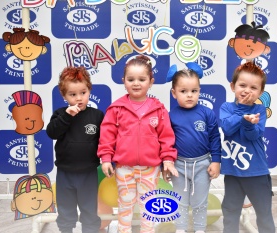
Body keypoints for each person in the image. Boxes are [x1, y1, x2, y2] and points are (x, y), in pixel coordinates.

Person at [97, 54, 178, 233]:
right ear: (123, 81)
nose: (136, 83)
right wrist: (105, 158)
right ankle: (123, 230)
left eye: (142, 79)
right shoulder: (116, 108)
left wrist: (168, 160)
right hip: (123, 167)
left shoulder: (158, 109)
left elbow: (166, 137)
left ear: (151, 82)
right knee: (125, 203)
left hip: (150, 168)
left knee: (148, 204)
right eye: (131, 79)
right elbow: (107, 135)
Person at [46, 66, 104, 233]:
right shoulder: (60, 114)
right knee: (65, 210)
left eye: (83, 93)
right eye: (73, 95)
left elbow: (105, 141)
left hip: (89, 173)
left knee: (89, 210)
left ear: (89, 90)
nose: (79, 98)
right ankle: (65, 230)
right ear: (64, 96)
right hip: (65, 173)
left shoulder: (97, 115)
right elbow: (52, 132)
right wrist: (66, 116)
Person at [219, 61, 275, 233]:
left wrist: (249, 124)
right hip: (233, 172)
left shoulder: (260, 109)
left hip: (257, 172)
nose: (247, 90)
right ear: (232, 86)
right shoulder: (226, 107)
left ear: (260, 92)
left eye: (253, 87)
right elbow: (227, 128)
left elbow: (253, 136)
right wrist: (242, 112)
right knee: (230, 211)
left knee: (264, 213)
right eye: (242, 85)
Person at [166, 62, 221, 233]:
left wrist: (216, 161)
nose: (189, 95)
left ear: (199, 91)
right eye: (183, 91)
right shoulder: (170, 116)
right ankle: (180, 229)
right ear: (174, 93)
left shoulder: (207, 113)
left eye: (194, 91)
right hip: (178, 166)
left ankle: (199, 229)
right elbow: (166, 142)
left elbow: (214, 138)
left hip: (203, 164)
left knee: (200, 200)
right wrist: (166, 163)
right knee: (180, 200)